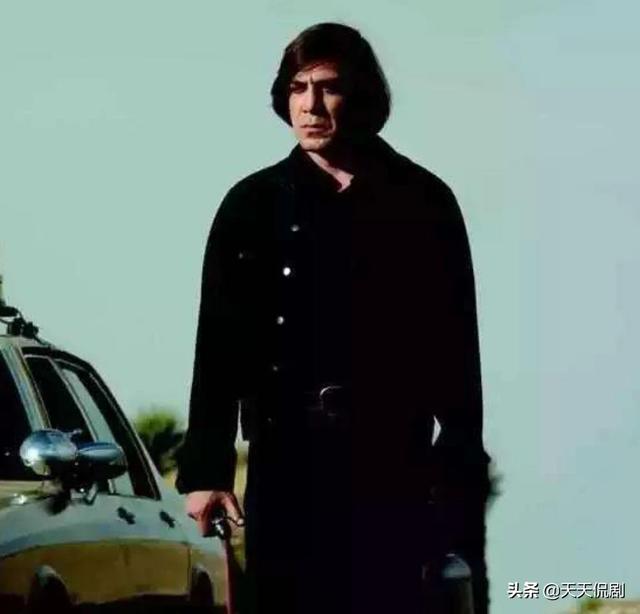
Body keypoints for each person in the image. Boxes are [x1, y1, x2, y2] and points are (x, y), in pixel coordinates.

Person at [176, 22, 491, 614]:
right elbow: (218, 345)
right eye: (298, 89)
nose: (311, 106)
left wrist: (459, 468)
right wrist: (206, 470)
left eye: (328, 88)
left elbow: (455, 349)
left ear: (362, 95)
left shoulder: (422, 201)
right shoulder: (252, 204)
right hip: (284, 458)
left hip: (392, 460)